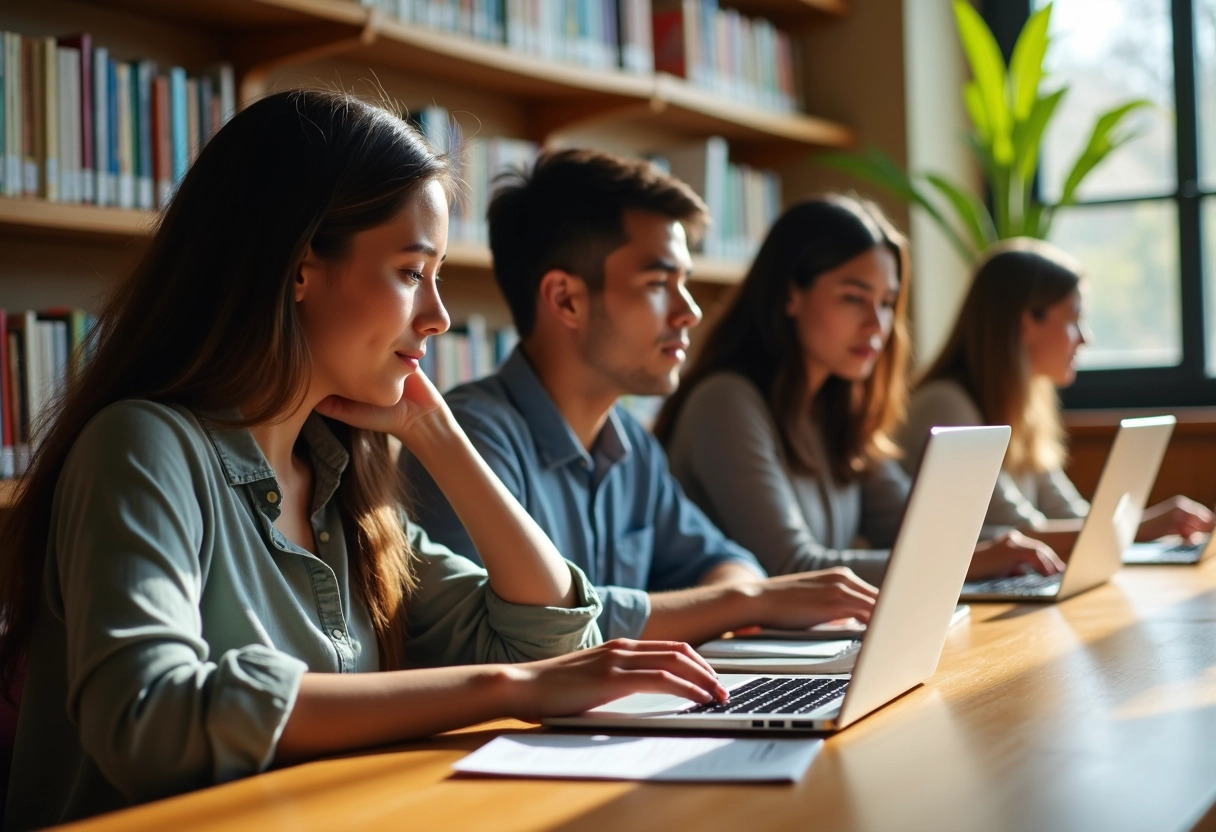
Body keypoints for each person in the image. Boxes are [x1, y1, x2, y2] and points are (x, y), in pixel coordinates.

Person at [0, 91, 728, 831]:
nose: (439, 315)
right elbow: (151, 717)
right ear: (298, 270)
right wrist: (510, 688)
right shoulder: (144, 446)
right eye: (413, 273)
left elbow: (549, 637)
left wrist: (437, 435)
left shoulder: (345, 490)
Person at [402, 148, 880, 646]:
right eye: (658, 283)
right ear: (566, 299)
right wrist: (741, 604)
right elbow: (520, 634)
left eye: (685, 283)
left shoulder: (631, 441)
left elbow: (726, 561)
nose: (689, 311)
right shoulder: (471, 438)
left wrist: (736, 594)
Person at [653, 196, 1061, 584]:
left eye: (886, 303)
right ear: (790, 294)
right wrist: (975, 559)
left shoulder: (837, 409)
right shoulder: (725, 402)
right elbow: (792, 566)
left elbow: (918, 528)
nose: (877, 324)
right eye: (854, 298)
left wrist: (998, 546)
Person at [897, 237, 1213, 558]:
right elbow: (1021, 533)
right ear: (1026, 322)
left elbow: (1066, 514)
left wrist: (1143, 525)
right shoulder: (946, 405)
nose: (1085, 338)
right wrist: (1142, 526)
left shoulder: (1026, 407)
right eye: (1074, 318)